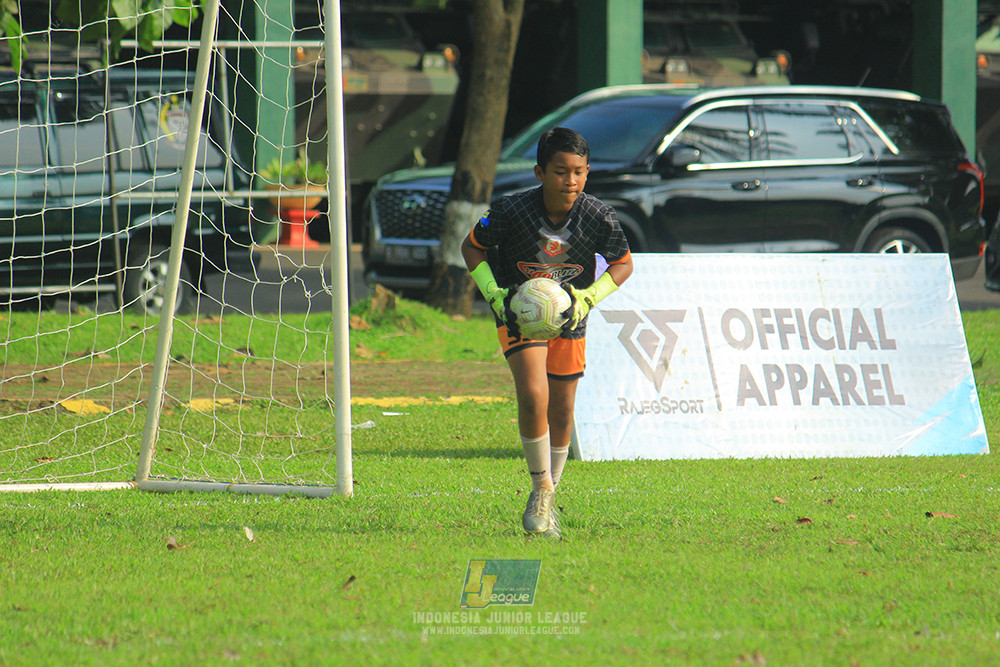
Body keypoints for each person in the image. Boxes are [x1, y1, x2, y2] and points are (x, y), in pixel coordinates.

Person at [461, 127, 634, 538]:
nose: (570, 180)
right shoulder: (511, 210)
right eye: (560, 171)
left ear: (587, 172)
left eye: (578, 172)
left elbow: (623, 263)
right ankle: (540, 490)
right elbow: (472, 246)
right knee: (533, 393)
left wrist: (589, 298)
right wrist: (494, 294)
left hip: (570, 317)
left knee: (562, 408)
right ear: (540, 172)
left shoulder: (599, 216)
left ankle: (550, 494)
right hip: (519, 313)